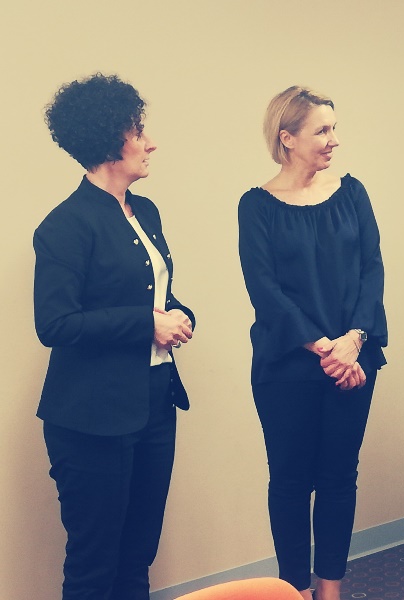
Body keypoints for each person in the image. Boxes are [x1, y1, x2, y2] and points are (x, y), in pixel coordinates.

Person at [34, 73, 195, 600]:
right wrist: (147, 323)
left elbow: (155, 293)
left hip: (155, 402)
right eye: (138, 132)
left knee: (138, 555)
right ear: (109, 140)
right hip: (90, 418)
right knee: (94, 563)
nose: (151, 143)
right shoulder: (64, 225)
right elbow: (55, 324)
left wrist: (178, 315)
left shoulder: (145, 211)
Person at [238, 86, 388, 600]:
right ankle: (295, 591)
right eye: (322, 130)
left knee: (339, 477)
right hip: (288, 366)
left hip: (355, 358)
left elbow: (372, 270)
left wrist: (354, 340)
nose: (334, 140)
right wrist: (326, 348)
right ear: (287, 138)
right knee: (290, 481)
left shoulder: (353, 193)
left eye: (334, 128)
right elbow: (264, 290)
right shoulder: (256, 206)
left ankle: (330, 589)